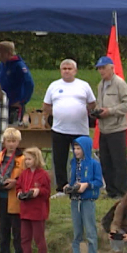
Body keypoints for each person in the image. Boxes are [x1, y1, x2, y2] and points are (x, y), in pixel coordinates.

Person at [42, 59, 96, 193]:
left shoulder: (83, 85)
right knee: (59, 160)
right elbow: (46, 106)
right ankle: (61, 188)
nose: (66, 71)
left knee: (81, 158)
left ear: (75, 71)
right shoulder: (54, 86)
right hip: (59, 129)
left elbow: (92, 104)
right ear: (60, 71)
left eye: (69, 68)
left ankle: (82, 184)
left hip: (80, 130)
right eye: (64, 68)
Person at [94, 56, 127, 198]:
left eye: (103, 68)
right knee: (106, 161)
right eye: (99, 68)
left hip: (117, 128)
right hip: (104, 128)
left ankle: (123, 191)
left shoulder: (119, 83)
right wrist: (97, 111)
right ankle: (111, 191)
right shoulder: (101, 85)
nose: (101, 71)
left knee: (119, 162)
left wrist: (110, 111)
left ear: (112, 68)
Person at [65, 135, 103, 253]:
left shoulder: (94, 164)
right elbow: (72, 179)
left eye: (79, 149)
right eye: (74, 148)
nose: (76, 151)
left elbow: (99, 181)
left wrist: (87, 185)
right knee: (77, 228)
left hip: (88, 199)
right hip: (75, 199)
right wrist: (69, 187)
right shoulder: (73, 163)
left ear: (85, 149)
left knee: (90, 227)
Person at [17, 147, 51, 253]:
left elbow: (47, 191)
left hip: (38, 211)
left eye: (29, 159)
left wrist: (38, 191)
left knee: (38, 236)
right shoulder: (24, 174)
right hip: (25, 210)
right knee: (25, 236)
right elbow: (19, 186)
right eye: (26, 159)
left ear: (36, 159)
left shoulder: (43, 174)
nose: (27, 161)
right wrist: (20, 193)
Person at [0, 41, 34, 124]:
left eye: (0, 53)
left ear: (8, 53)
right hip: (2, 103)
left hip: (14, 103)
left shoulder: (19, 66)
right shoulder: (1, 66)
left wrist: (23, 100)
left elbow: (29, 83)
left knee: (13, 128)